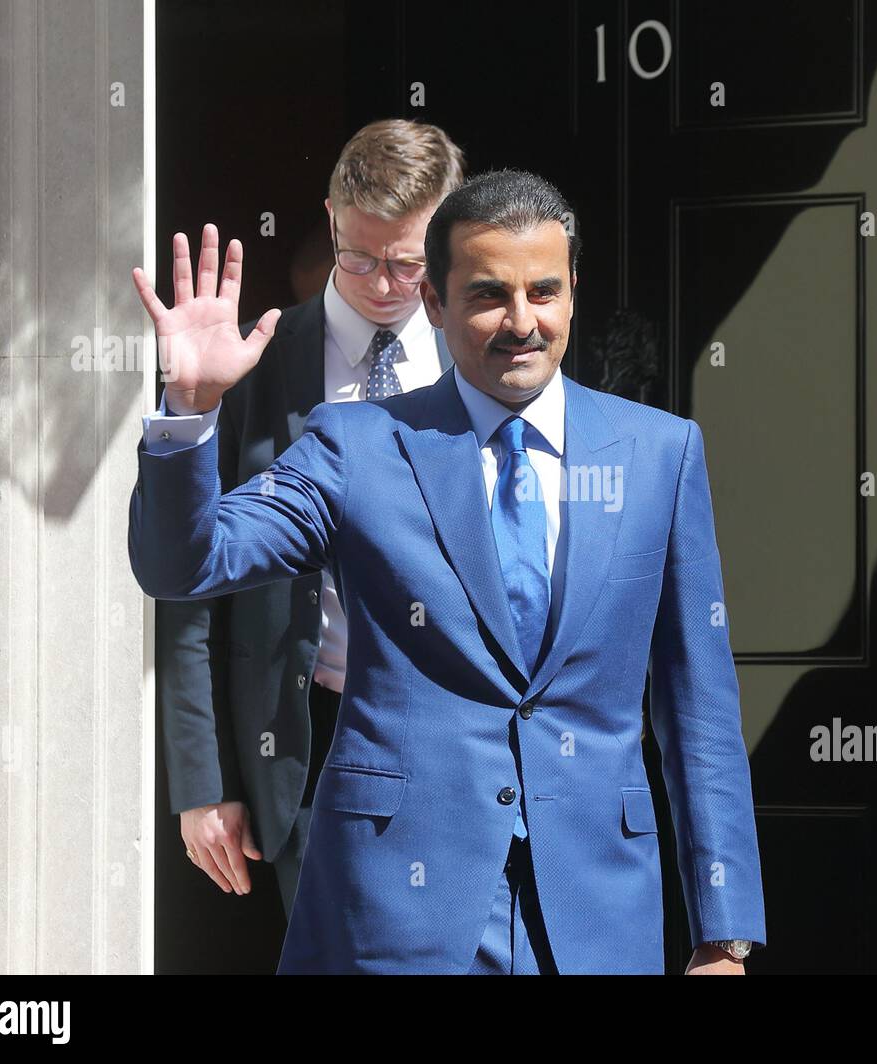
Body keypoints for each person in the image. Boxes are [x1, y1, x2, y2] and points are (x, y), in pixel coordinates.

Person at [130, 169, 767, 974]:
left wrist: (724, 935)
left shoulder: (660, 454)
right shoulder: (357, 444)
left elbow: (700, 712)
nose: (521, 322)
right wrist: (188, 408)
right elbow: (184, 564)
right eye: (488, 295)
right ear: (435, 302)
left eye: (544, 291)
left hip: (595, 915)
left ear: (573, 293)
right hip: (394, 912)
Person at [156, 119, 464, 918]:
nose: (383, 283)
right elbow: (189, 589)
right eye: (359, 256)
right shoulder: (257, 363)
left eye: (407, 260)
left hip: (463, 736)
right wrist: (203, 781)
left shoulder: (487, 364)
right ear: (331, 217)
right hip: (306, 738)